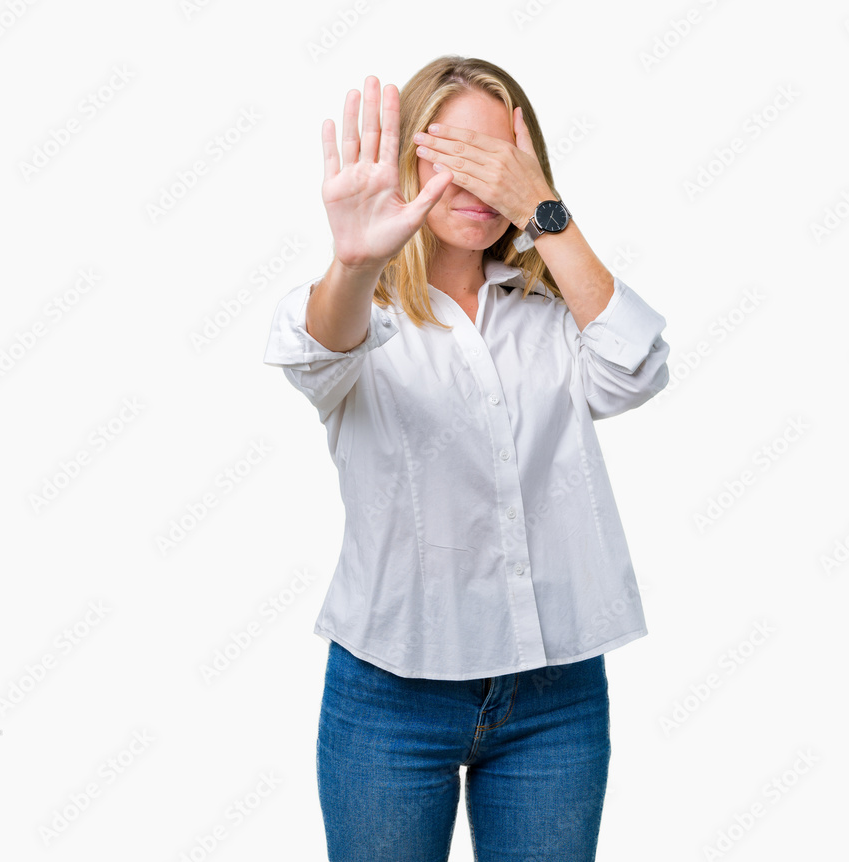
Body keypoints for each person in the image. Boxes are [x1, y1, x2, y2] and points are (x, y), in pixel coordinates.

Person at [263, 55, 670, 862]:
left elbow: (637, 371)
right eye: (452, 154)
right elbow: (319, 351)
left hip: (555, 697)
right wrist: (353, 262)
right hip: (389, 695)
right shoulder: (362, 309)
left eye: (499, 160)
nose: (479, 181)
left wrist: (545, 214)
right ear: (405, 158)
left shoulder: (553, 313)